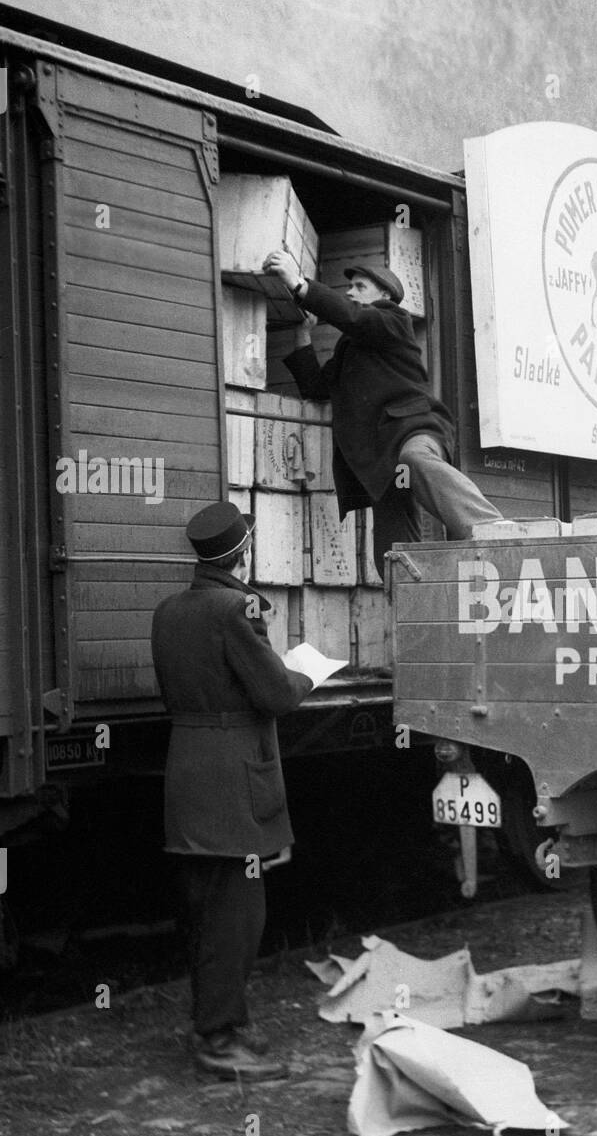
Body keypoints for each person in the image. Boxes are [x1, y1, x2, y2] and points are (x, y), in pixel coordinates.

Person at [151, 501, 313, 1082]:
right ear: (243, 551)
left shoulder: (169, 610)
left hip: (188, 770)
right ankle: (217, 1039)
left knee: (209, 909)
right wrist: (305, 674)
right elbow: (274, 694)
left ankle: (222, 1022)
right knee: (237, 915)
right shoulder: (236, 608)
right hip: (233, 779)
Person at [264, 252, 502, 575]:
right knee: (392, 558)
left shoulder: (392, 321)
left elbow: (354, 317)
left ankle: (490, 528)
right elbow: (318, 388)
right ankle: (416, 617)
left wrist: (301, 286)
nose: (350, 292)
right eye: (349, 287)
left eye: (359, 286)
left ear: (385, 295)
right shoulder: (350, 351)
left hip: (412, 431)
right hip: (382, 463)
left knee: (415, 459)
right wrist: (303, 334)